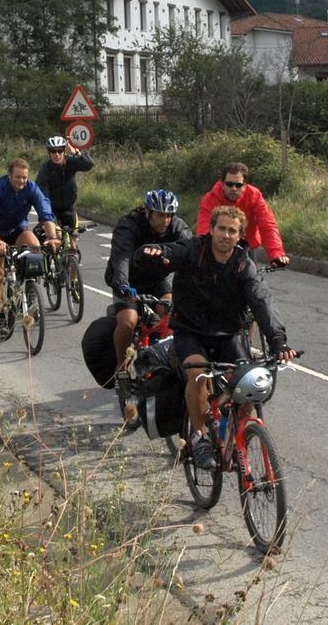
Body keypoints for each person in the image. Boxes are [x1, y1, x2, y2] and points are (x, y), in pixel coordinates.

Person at [136, 205, 297, 470]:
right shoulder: (193, 250)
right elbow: (170, 254)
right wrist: (152, 253)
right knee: (198, 373)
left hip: (226, 335)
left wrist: (278, 341)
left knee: (248, 389)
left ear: (239, 236)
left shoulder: (244, 265)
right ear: (211, 230)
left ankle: (234, 439)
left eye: (232, 231)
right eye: (221, 228)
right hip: (190, 332)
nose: (225, 235)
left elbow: (262, 301)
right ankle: (199, 437)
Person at [105, 189, 192, 374]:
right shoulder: (129, 225)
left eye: (169, 215)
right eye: (160, 215)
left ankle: (162, 358)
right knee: (129, 321)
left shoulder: (178, 228)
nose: (165, 220)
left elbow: (192, 254)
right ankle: (121, 368)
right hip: (128, 281)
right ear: (148, 212)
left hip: (156, 280)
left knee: (170, 315)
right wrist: (123, 285)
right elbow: (122, 257)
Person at [0, 158, 60, 328]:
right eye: (18, 177)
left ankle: (30, 290)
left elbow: (45, 212)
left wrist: (52, 236)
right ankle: (1, 315)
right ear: (9, 175)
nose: (22, 181)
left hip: (17, 229)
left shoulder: (31, 188)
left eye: (24, 177)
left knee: (35, 247)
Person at [196, 162, 289, 268]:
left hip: (247, 246)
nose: (233, 189)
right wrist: (206, 252)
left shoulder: (254, 196)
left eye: (238, 185)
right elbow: (204, 229)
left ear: (245, 186)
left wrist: (276, 254)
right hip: (219, 247)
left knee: (252, 281)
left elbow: (267, 225)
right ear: (222, 184)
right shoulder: (210, 198)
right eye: (229, 184)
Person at [36, 135, 94, 233]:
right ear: (49, 153)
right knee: (54, 238)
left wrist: (76, 152)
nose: (57, 154)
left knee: (73, 243)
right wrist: (48, 216)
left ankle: (72, 248)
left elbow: (89, 164)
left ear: (64, 151)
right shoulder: (45, 169)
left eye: (60, 151)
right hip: (51, 210)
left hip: (68, 208)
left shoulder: (71, 162)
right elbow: (42, 193)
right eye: (53, 151)